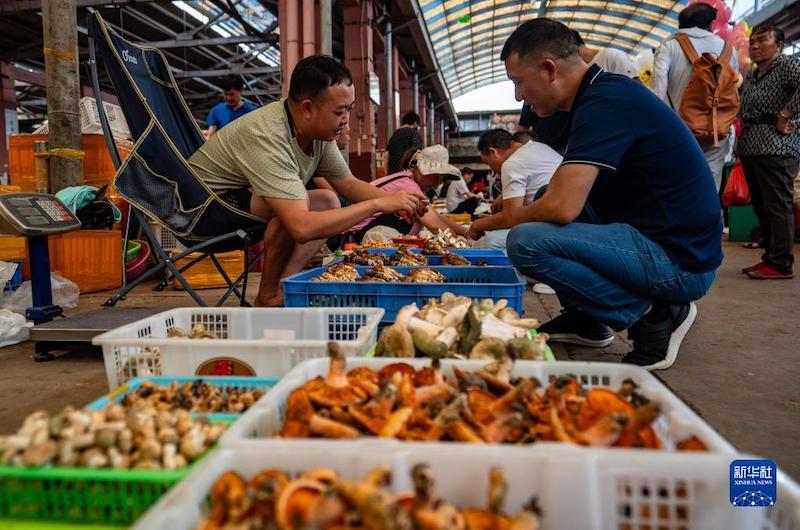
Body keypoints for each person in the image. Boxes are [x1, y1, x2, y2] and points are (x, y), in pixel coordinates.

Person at [500, 19, 723, 370]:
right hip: (667, 240)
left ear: (549, 69)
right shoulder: (599, 94)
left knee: (526, 240)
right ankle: (587, 319)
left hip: (682, 262)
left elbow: (562, 208)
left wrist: (502, 220)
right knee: (544, 195)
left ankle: (654, 318)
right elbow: (559, 193)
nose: (518, 96)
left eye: (518, 81)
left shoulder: (605, 102)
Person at [188, 55, 425, 306]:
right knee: (295, 205)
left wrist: (400, 201)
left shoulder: (317, 133)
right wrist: (377, 205)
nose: (346, 119)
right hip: (201, 213)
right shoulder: (268, 135)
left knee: (326, 200)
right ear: (308, 108)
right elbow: (301, 226)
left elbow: (348, 184)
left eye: (349, 108)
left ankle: (286, 287)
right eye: (339, 111)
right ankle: (269, 296)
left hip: (237, 203)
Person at [653, 3, 739, 191]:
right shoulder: (729, 50)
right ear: (711, 24)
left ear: (681, 25)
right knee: (710, 181)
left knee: (678, 180)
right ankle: (707, 217)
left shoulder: (669, 45)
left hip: (679, 129)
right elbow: (732, 87)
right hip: (717, 131)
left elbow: (659, 82)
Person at [737, 25, 800, 280]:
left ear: (779, 45)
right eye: (752, 42)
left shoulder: (787, 66)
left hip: (777, 146)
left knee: (777, 204)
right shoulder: (753, 74)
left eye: (762, 40)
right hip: (753, 146)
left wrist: (786, 114)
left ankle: (781, 262)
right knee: (762, 206)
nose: (754, 46)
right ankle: (770, 257)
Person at [349, 145, 469, 242]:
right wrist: (461, 245)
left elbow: (437, 218)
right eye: (434, 177)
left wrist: (466, 233)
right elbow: (435, 225)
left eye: (441, 178)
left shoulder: (410, 181)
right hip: (359, 236)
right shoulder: (407, 184)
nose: (437, 183)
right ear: (421, 171)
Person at [467, 129, 561, 251]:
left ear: (493, 152)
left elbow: (511, 217)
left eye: (488, 163)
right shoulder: (541, 147)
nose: (494, 172)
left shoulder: (512, 163)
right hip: (571, 220)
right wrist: (504, 195)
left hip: (554, 228)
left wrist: (477, 225)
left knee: (491, 241)